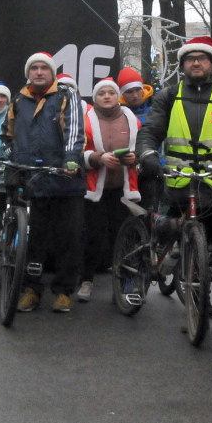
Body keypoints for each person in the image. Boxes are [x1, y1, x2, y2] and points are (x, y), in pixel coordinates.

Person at [136, 36, 212, 338]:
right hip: (181, 184)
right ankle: (190, 302)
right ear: (183, 65)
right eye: (190, 59)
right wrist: (148, 154)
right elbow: (150, 130)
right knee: (187, 245)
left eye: (202, 58)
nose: (196, 62)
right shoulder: (169, 95)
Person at [3, 52, 86, 311]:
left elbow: (74, 130)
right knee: (34, 238)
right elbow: (7, 136)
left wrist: (71, 159)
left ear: (52, 73)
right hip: (35, 179)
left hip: (65, 179)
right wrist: (15, 161)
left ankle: (63, 292)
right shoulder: (18, 99)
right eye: (34, 68)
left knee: (67, 238)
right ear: (29, 73)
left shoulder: (66, 95)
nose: (39, 72)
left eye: (44, 68)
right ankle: (31, 290)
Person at [78, 78, 140, 303]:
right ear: (95, 98)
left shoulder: (132, 119)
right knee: (93, 236)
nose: (106, 96)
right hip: (95, 190)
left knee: (123, 238)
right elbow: (77, 152)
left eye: (111, 93)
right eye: (101, 93)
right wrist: (97, 158)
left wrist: (136, 157)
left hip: (123, 190)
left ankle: (124, 282)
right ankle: (86, 280)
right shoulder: (85, 121)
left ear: (117, 96)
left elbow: (143, 147)